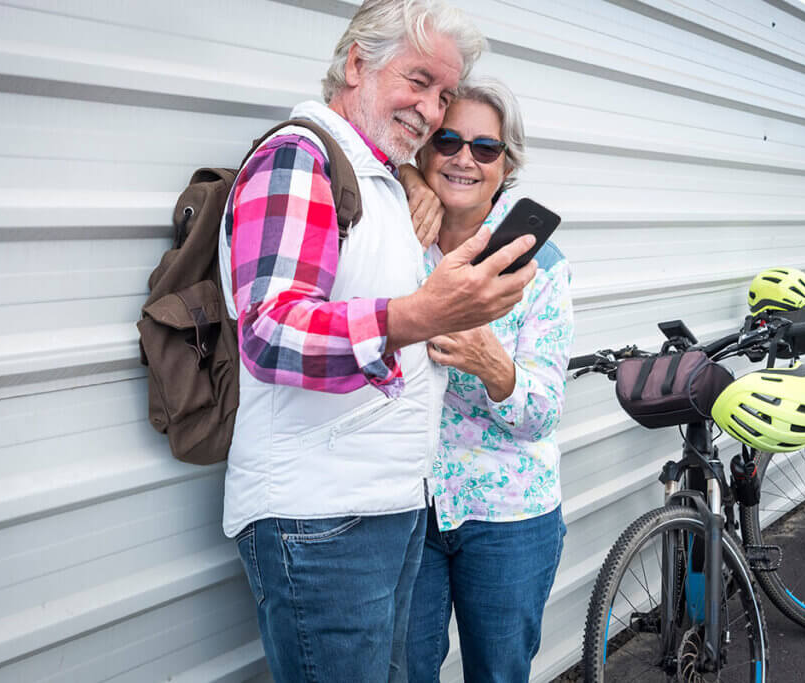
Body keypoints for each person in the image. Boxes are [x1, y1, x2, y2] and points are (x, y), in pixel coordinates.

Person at [217, 2, 541, 681]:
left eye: (444, 95)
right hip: (322, 521)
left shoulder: (380, 177)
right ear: (358, 61)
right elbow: (271, 330)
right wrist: (419, 315)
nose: (429, 110)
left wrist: (416, 179)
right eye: (417, 80)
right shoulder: (297, 160)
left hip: (381, 509)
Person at [400, 78, 574, 683]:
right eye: (446, 141)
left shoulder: (541, 268)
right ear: (422, 149)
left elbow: (545, 412)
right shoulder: (394, 239)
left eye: (485, 148)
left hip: (508, 515)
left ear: (507, 165)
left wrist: (492, 362)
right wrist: (403, 180)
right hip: (406, 506)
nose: (463, 158)